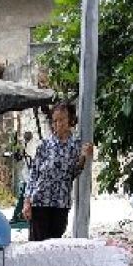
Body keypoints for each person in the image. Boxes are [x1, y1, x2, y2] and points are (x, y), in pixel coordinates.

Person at [22, 102, 94, 241]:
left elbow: (74, 172)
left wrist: (84, 157)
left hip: (60, 204)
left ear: (70, 120)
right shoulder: (45, 145)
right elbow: (34, 174)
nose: (57, 124)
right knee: (37, 247)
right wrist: (27, 202)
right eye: (54, 121)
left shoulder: (76, 145)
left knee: (54, 246)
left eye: (61, 119)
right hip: (40, 202)